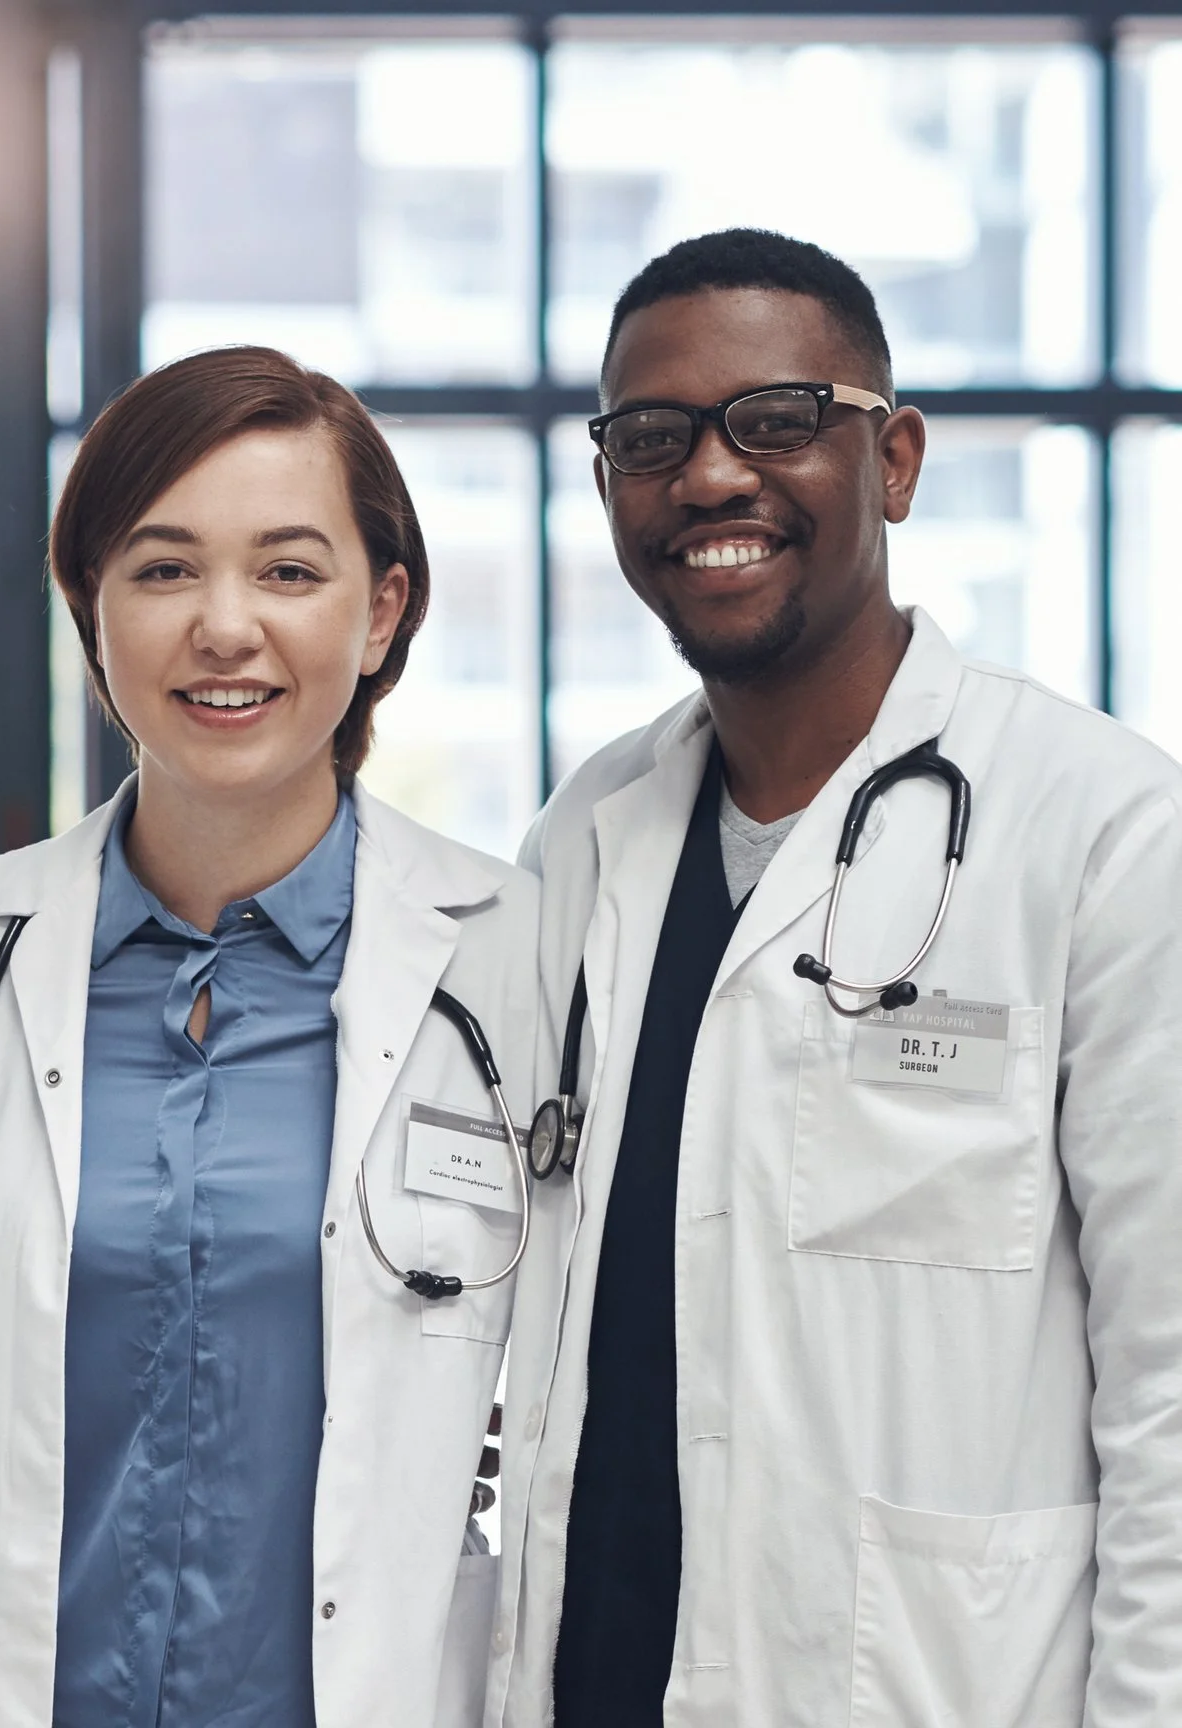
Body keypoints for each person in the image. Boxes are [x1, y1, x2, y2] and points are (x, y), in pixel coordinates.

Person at [487, 228, 1182, 1728]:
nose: (713, 478)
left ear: (897, 461)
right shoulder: (583, 842)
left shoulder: (1104, 832)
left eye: (781, 420)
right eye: (652, 439)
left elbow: (1172, 1393)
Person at [0, 345, 536, 1728]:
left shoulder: (509, 959)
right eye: (165, 570)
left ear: (382, 612)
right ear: (89, 607)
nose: (225, 628)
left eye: (289, 572)